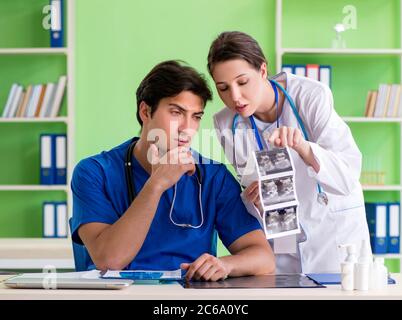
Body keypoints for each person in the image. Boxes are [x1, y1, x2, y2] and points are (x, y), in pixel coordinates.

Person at [70, 60, 275, 281]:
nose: (188, 129)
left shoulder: (212, 177)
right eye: (176, 112)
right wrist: (156, 185)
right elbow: (109, 260)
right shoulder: (94, 172)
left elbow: (263, 257)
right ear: (145, 112)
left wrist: (226, 265)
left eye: (196, 117)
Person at [207, 31, 370, 273]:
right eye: (223, 88)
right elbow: (250, 186)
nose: (235, 97)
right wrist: (255, 200)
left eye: (242, 82)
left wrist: (304, 148)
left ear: (263, 71)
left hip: (334, 231)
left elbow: (347, 177)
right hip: (282, 232)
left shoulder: (311, 96)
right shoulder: (226, 122)